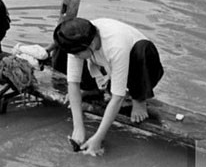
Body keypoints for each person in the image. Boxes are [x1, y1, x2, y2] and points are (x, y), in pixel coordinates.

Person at [53, 16, 164, 156]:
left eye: (77, 53)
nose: (74, 56)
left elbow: (118, 97)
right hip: (106, 68)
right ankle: (93, 89)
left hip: (140, 69)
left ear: (91, 44)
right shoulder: (76, 41)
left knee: (142, 50)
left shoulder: (116, 45)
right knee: (59, 56)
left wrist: (98, 138)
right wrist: (78, 128)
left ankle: (139, 99)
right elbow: (73, 83)